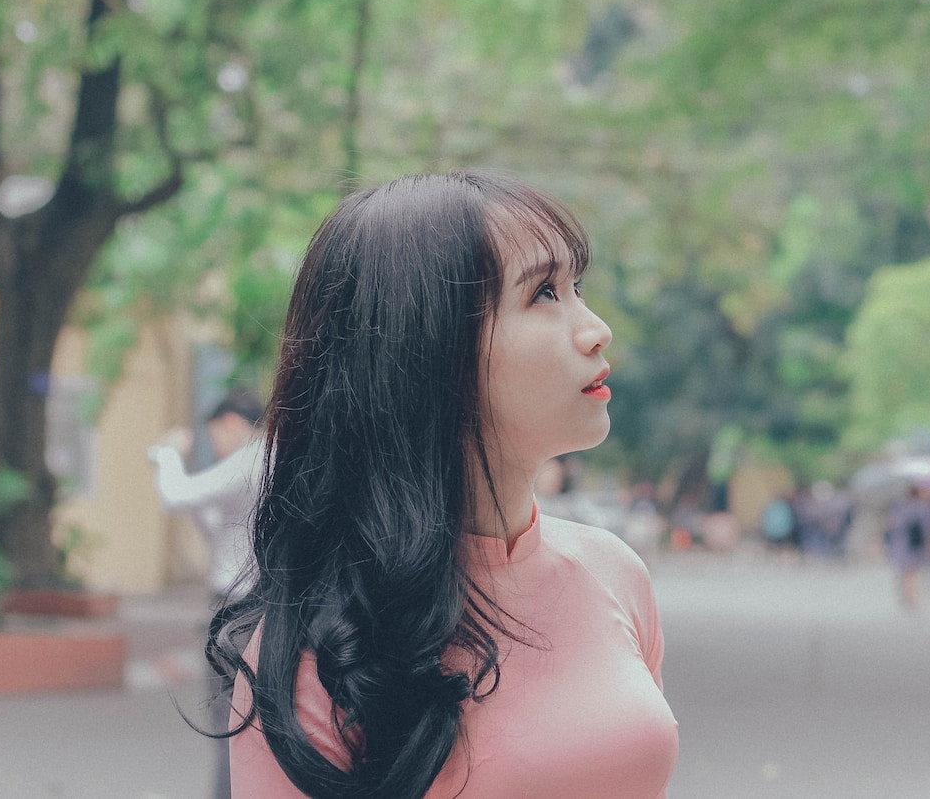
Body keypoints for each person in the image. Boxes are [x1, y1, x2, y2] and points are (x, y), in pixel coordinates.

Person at [206, 171, 679, 799]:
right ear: (430, 350)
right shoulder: (324, 649)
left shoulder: (615, 573)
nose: (595, 329)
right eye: (543, 293)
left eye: (577, 286)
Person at [148, 385, 266, 799]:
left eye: (214, 433)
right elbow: (219, 532)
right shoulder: (269, 461)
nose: (214, 444)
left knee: (227, 723)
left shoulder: (251, 458)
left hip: (237, 611)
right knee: (242, 726)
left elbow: (176, 496)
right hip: (253, 607)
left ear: (232, 423)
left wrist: (167, 455)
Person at [886, 485, 930, 611]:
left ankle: (908, 597)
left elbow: (894, 525)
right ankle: (916, 598)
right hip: (920, 545)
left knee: (906, 573)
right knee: (918, 573)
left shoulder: (900, 508)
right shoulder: (927, 508)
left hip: (902, 544)